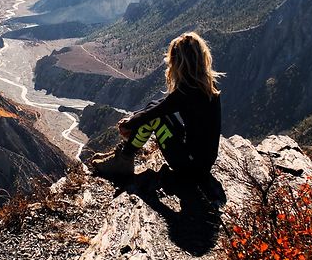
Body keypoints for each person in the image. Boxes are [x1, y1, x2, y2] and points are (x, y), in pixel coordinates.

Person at [89, 32, 224, 201]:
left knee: (154, 118)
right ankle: (124, 156)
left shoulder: (186, 92)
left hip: (189, 166)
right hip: (200, 161)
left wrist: (129, 124)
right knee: (153, 107)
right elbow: (160, 105)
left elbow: (154, 114)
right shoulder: (205, 86)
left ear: (179, 63)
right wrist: (133, 117)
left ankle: (124, 159)